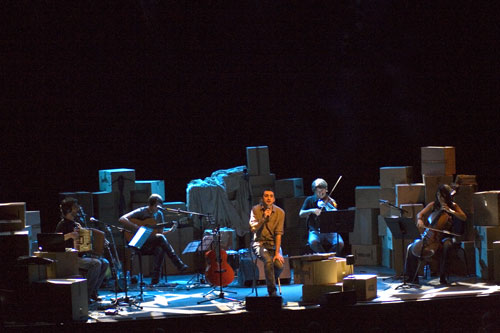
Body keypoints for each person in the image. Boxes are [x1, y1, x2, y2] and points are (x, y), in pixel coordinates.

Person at [119, 194, 188, 285]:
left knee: (160, 248)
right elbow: (122, 219)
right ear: (151, 205)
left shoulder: (159, 214)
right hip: (136, 241)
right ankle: (178, 263)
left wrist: (170, 231)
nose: (158, 208)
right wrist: (136, 227)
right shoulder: (142, 211)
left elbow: (159, 234)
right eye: (156, 206)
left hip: (149, 242)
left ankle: (155, 281)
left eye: (160, 206)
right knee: (160, 239)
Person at [405, 184, 467, 284]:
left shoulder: (453, 206)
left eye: (442, 196)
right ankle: (412, 277)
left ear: (447, 196)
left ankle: (443, 276)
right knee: (411, 247)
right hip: (430, 236)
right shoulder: (433, 205)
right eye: (438, 195)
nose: (440, 198)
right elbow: (420, 214)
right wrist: (420, 220)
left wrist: (451, 211)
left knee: (447, 245)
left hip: (446, 236)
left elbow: (464, 217)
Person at [55, 197, 109, 303]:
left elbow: (83, 243)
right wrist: (70, 235)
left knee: (104, 262)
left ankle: (93, 292)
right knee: (96, 264)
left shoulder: (76, 224)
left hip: (79, 256)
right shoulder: (62, 224)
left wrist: (100, 241)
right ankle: (86, 295)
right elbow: (56, 240)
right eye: (75, 207)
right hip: (68, 258)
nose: (78, 209)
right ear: (68, 210)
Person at [249, 189, 285, 297]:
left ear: (274, 199)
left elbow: (278, 233)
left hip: (273, 244)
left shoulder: (280, 212)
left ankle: (271, 279)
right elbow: (253, 229)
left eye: (271, 196)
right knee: (268, 261)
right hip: (258, 243)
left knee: (279, 265)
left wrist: (277, 252)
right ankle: (272, 292)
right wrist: (263, 218)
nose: (268, 198)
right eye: (266, 196)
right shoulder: (255, 209)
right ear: (262, 198)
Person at [299, 178, 344, 254]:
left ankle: (329, 257)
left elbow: (336, 216)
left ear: (326, 190)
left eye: (322, 191)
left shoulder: (330, 201)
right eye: (318, 191)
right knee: (313, 242)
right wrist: (312, 210)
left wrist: (332, 210)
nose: (320, 193)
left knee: (340, 243)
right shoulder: (309, 200)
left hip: (330, 231)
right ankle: (325, 257)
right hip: (315, 230)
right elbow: (301, 214)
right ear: (314, 191)